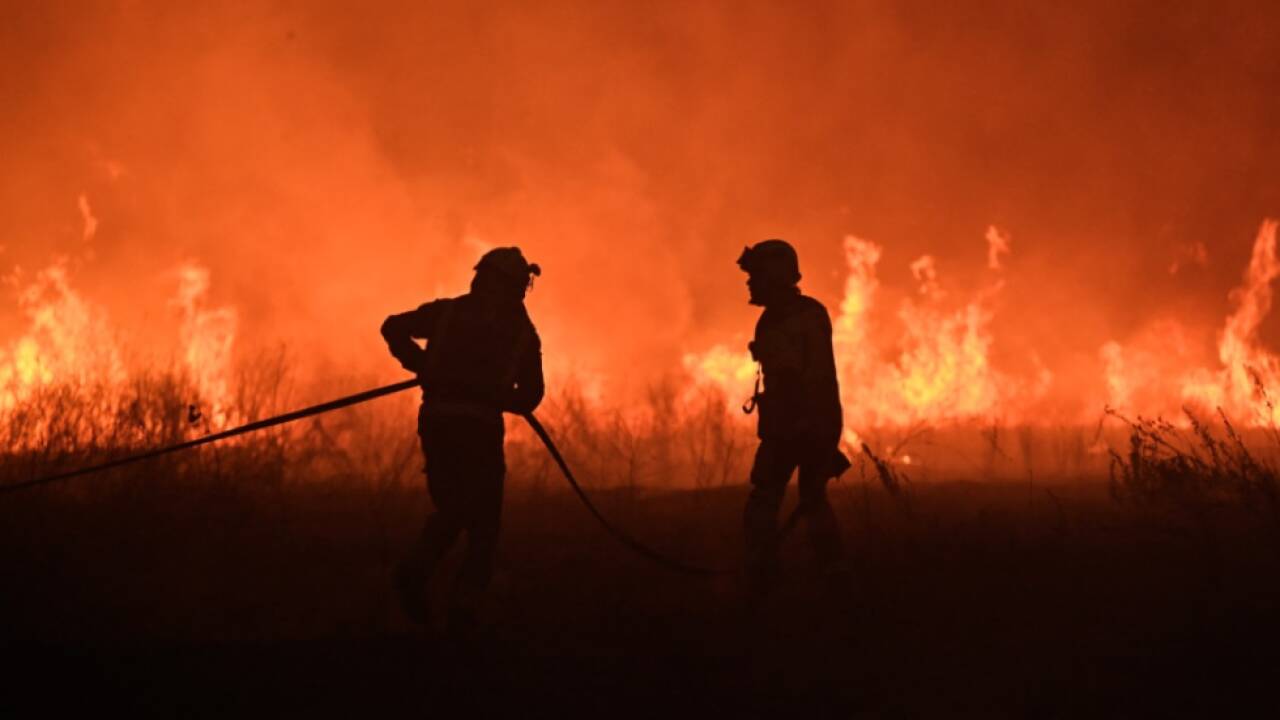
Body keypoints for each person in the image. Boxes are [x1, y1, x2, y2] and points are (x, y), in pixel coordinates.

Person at [381, 247, 544, 633]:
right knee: (482, 522)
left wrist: (423, 366)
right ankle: (459, 606)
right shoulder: (521, 332)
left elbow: (392, 327)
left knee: (455, 510)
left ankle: (425, 583)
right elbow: (531, 395)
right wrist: (497, 396)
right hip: (478, 433)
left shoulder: (449, 313)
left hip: (440, 426)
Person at [737, 239, 849, 601]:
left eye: (756, 276)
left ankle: (764, 579)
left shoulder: (792, 319)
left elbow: (800, 379)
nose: (750, 283)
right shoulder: (793, 316)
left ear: (774, 275)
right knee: (807, 499)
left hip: (799, 424)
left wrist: (807, 431)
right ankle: (828, 577)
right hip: (803, 422)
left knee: (773, 499)